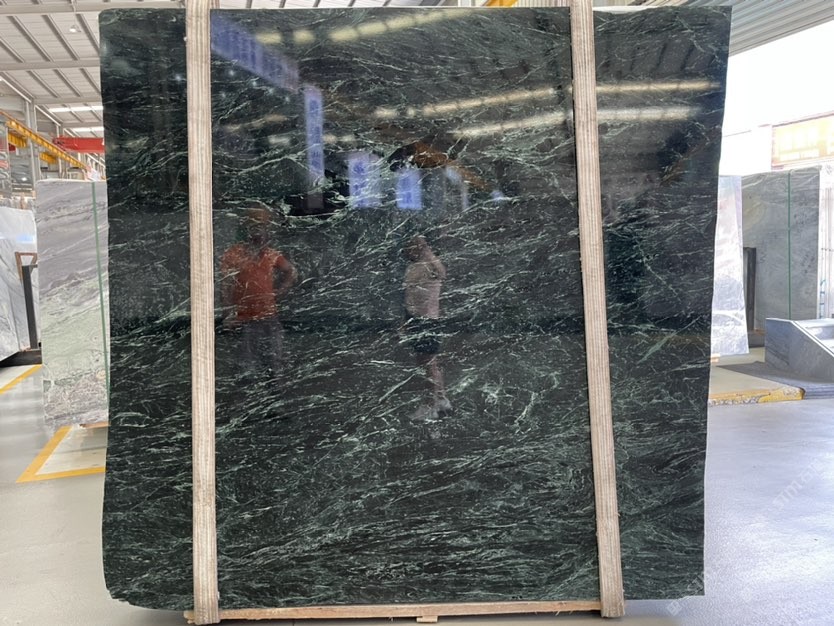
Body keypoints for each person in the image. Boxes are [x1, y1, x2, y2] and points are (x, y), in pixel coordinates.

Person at [220, 206, 297, 378]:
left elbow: (291, 271)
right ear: (246, 229)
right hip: (244, 317)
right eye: (255, 227)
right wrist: (227, 315)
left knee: (275, 359)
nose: (260, 232)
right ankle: (250, 387)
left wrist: (279, 292)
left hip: (269, 316)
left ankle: (276, 387)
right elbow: (225, 285)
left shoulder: (270, 254)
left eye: (263, 227)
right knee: (247, 362)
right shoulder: (234, 254)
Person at [402, 235, 451, 421]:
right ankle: (441, 399)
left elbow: (442, 273)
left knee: (428, 365)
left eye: (412, 245)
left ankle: (430, 406)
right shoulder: (414, 266)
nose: (407, 250)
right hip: (415, 319)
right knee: (429, 363)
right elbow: (409, 297)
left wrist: (427, 251)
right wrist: (405, 321)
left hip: (427, 322)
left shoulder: (430, 266)